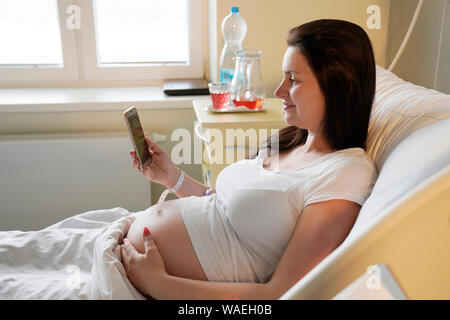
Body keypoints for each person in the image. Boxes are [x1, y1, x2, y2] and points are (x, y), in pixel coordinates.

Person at [120, 19, 378, 300]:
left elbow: (280, 293)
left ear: (342, 88)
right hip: (133, 265)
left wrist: (159, 284)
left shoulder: (346, 173)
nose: (278, 91)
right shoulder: (291, 140)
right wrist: (170, 176)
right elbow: (219, 204)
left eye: (294, 80)